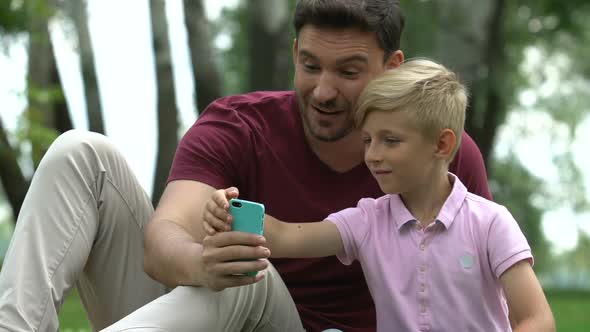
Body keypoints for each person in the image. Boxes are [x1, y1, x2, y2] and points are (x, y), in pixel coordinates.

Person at [0, 1, 491, 331]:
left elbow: (486, 290)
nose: (323, 91)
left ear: (392, 68)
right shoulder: (240, 125)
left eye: (348, 72)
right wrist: (200, 262)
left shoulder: (438, 155)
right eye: (311, 65)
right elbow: (163, 240)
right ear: (295, 54)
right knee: (80, 154)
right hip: (189, 320)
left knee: (247, 275)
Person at [204, 59, 556, 332]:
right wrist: (229, 212)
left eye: (391, 140)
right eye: (368, 140)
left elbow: (537, 319)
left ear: (442, 143)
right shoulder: (368, 220)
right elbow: (282, 237)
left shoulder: (491, 223)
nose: (372, 155)